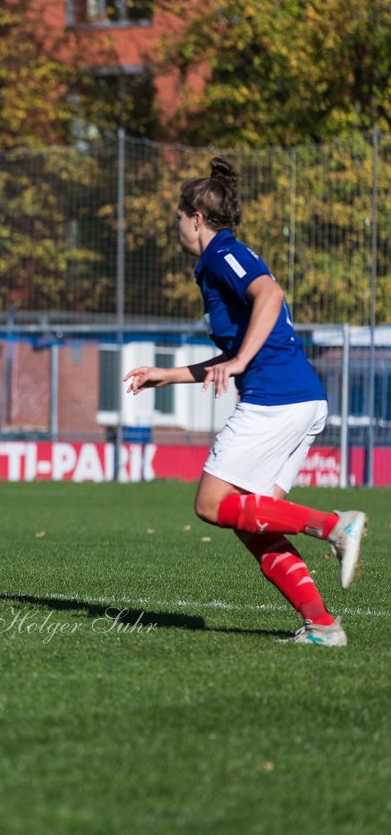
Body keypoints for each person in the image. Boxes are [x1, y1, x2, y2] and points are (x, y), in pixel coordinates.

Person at [123, 157, 366, 646]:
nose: (175, 223)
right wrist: (166, 376)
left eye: (176, 214)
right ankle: (321, 626)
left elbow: (270, 295)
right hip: (298, 399)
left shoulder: (222, 255)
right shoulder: (217, 263)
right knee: (254, 522)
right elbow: (237, 346)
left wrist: (237, 365)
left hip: (276, 399)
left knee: (212, 504)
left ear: (195, 217)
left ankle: (334, 525)